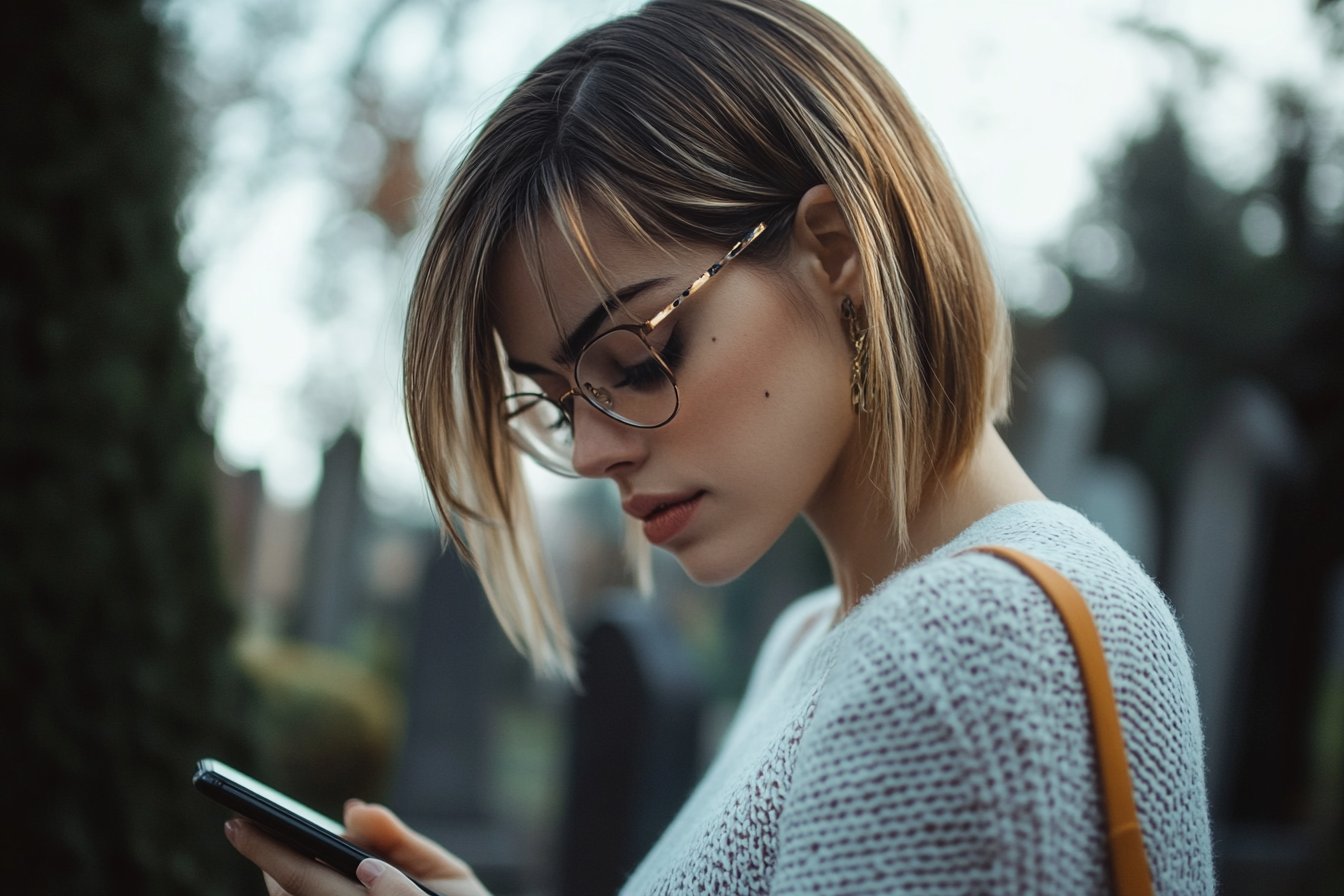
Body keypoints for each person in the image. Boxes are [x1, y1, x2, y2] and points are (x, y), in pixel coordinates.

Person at [225, 0, 1214, 893]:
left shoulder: (961, 650)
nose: (590, 452)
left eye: (639, 353)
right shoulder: (819, 638)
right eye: (560, 402)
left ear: (835, 253)